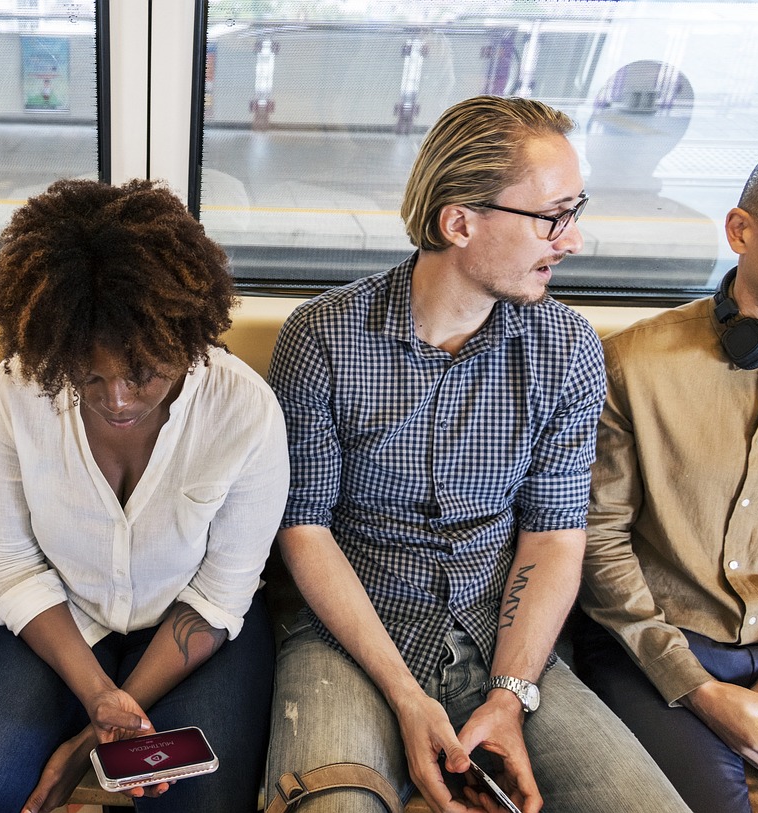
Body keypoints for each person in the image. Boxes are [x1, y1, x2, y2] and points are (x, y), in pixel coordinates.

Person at [264, 95, 690, 813]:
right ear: (459, 222)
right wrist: (404, 693)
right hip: (351, 635)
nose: (573, 239)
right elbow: (302, 526)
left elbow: (554, 532)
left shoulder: (567, 349)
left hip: (504, 635)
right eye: (554, 216)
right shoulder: (323, 338)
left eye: (575, 209)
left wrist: (510, 693)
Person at [0, 178, 288, 813]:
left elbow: (222, 593)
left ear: (187, 337)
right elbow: (10, 561)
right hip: (59, 616)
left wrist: (95, 733)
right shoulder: (18, 390)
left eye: (144, 374)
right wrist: (96, 695)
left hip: (191, 629)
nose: (118, 400)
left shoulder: (244, 411)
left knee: (198, 807)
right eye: (89, 376)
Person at [576, 142, 758, 812]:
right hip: (656, 650)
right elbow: (599, 547)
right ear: (740, 231)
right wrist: (698, 687)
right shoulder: (630, 365)